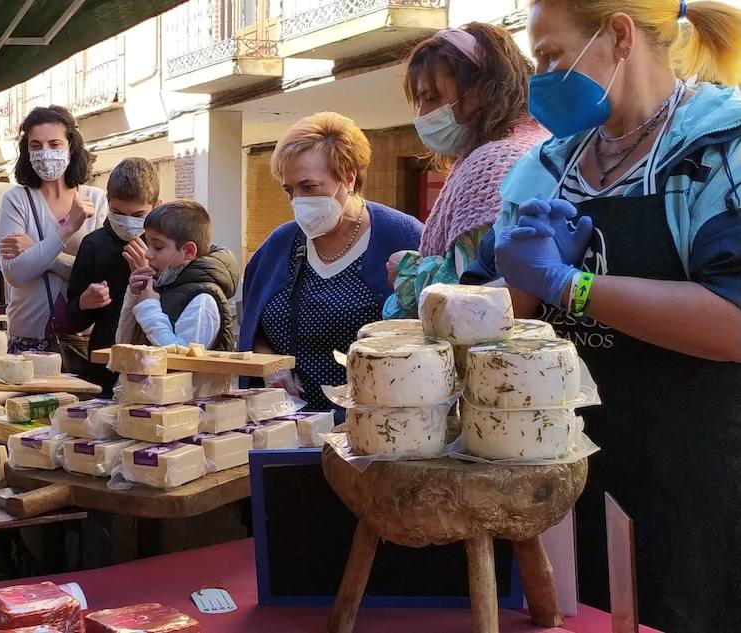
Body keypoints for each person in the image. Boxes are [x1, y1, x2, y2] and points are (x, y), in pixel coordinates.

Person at [462, 1, 741, 630]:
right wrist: (520, 286)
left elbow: (732, 320)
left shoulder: (719, 149)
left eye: (551, 56)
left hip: (691, 481)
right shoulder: (546, 167)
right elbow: (481, 316)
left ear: (617, 35)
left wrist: (570, 285)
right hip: (558, 481)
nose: (541, 78)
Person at [238, 112, 422, 411]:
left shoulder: (403, 236)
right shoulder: (280, 245)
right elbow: (254, 327)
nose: (297, 200)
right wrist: (270, 365)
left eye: (309, 187)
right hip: (286, 427)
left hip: (374, 428)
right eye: (289, 190)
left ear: (348, 177)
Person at [382, 23, 548, 318]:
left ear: (481, 89)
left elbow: (471, 287)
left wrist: (407, 271)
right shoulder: (537, 142)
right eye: (418, 101)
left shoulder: (492, 163)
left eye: (431, 97)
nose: (422, 115)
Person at [0, 105, 109, 353]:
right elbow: (15, 273)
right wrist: (68, 228)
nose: (45, 152)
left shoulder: (97, 200)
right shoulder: (16, 200)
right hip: (28, 337)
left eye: (54, 144)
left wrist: (38, 252)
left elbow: (100, 279)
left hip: (82, 337)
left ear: (71, 146)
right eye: (35, 146)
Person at [65, 157, 160, 393]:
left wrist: (147, 274)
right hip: (106, 369)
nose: (128, 222)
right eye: (118, 213)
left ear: (156, 206)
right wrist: (84, 303)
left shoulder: (164, 246)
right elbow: (73, 317)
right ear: (108, 203)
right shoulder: (94, 245)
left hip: (155, 367)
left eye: (138, 215)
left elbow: (176, 302)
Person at [115, 200, 239, 352]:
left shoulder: (203, 300)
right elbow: (123, 345)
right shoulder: (162, 284)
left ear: (188, 251)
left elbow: (181, 357)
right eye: (148, 244)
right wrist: (134, 297)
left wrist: (148, 307)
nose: (147, 254)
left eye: (158, 247)